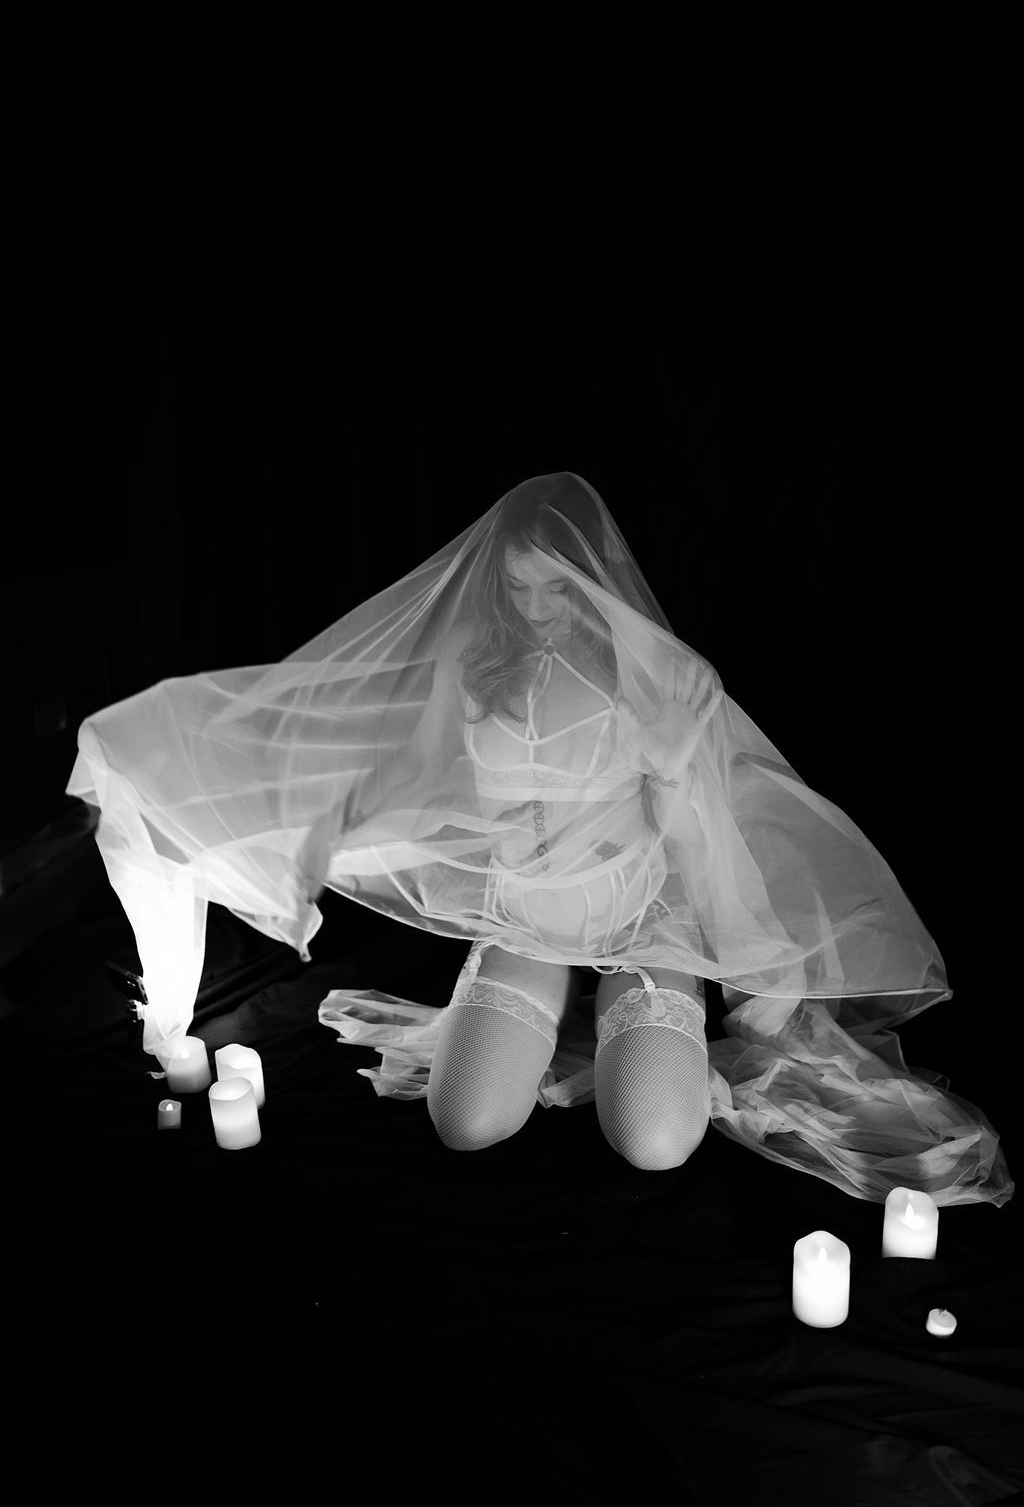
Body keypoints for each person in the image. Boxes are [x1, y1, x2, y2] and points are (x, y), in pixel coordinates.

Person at [68, 472, 1012, 1206]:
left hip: (641, 922)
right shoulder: (474, 670)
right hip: (523, 921)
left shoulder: (660, 683)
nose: (536, 605)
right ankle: (552, 1004)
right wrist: (313, 842)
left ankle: (626, 1015)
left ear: (592, 575)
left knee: (654, 1141)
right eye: (518, 587)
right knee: (467, 1124)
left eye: (554, 586)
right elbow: (407, 781)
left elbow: (707, 827)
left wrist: (755, 967)